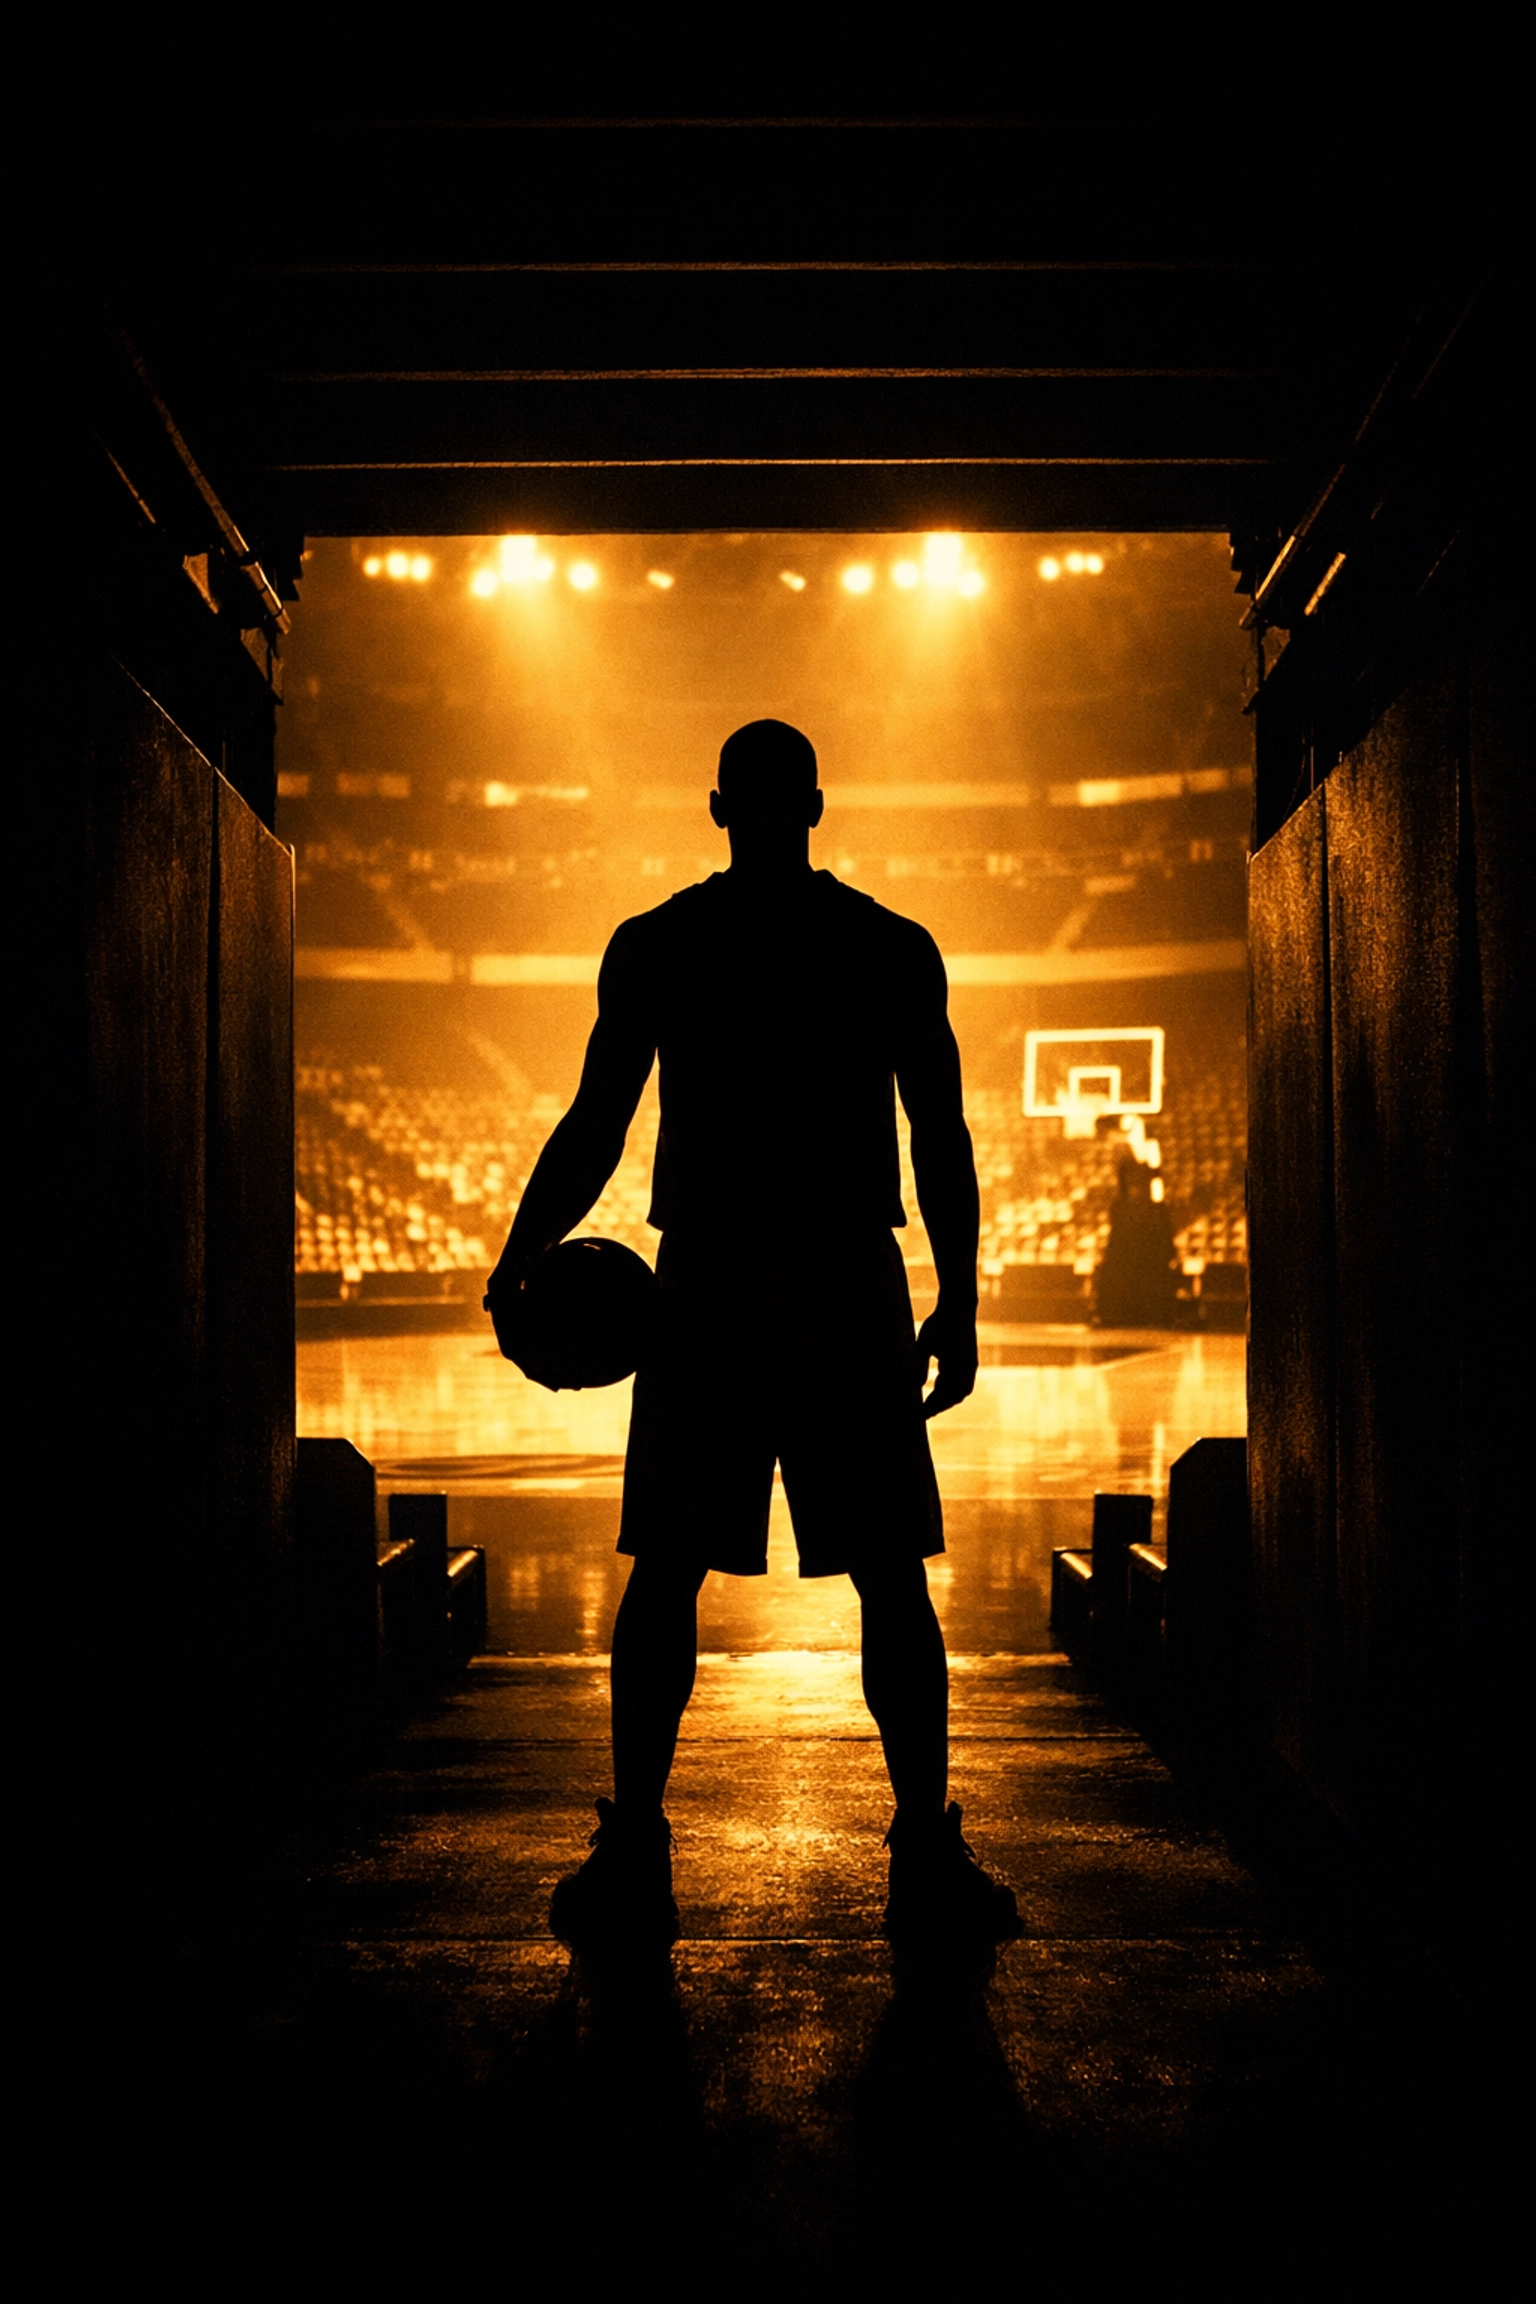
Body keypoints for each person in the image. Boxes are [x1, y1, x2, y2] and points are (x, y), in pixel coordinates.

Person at [486, 719, 1018, 1950]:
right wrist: (961, 1294)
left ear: (717, 807)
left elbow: (596, 1125)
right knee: (891, 1578)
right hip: (846, 1280)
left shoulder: (660, 943)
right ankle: (923, 1855)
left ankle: (636, 1853)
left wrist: (519, 1254)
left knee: (665, 1573)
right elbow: (939, 1134)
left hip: (710, 1283)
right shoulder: (888, 947)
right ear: (817, 806)